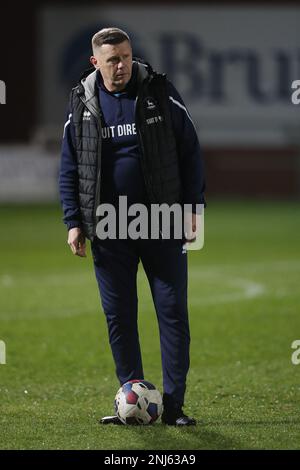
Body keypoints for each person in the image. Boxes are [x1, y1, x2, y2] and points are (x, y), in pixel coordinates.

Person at [59, 27, 206, 426]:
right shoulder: (83, 100)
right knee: (119, 316)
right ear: (96, 62)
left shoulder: (160, 91)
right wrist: (74, 221)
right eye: (112, 60)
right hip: (108, 227)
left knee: (173, 312)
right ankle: (131, 399)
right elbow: (70, 165)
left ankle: (173, 408)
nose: (121, 65)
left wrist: (194, 208)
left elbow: (190, 151)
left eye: (125, 56)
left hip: (162, 221)